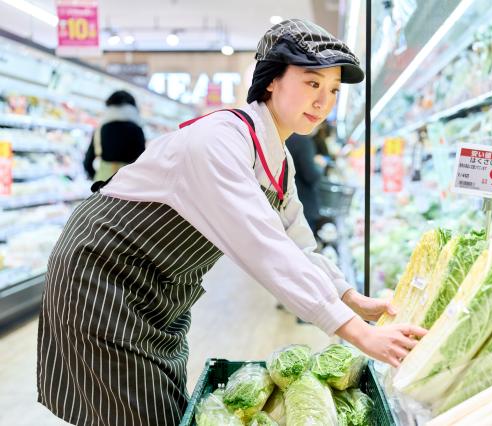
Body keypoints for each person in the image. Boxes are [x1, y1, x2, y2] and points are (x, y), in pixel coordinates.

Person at [37, 19, 426, 426]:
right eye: (312, 83)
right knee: (136, 412)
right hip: (101, 277)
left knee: (161, 408)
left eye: (332, 90)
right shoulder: (220, 141)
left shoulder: (277, 158)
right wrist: (358, 333)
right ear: (271, 80)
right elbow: (265, 248)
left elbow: (296, 245)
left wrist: (350, 297)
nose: (323, 101)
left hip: (157, 290)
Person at [83, 90, 146, 181]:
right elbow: (141, 163)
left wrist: (94, 177)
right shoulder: (137, 130)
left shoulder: (101, 129)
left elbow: (87, 162)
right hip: (127, 184)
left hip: (102, 183)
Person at [285, 132, 323, 232]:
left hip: (285, 203)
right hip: (303, 203)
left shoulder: (282, 136)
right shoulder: (303, 142)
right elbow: (311, 175)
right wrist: (320, 166)